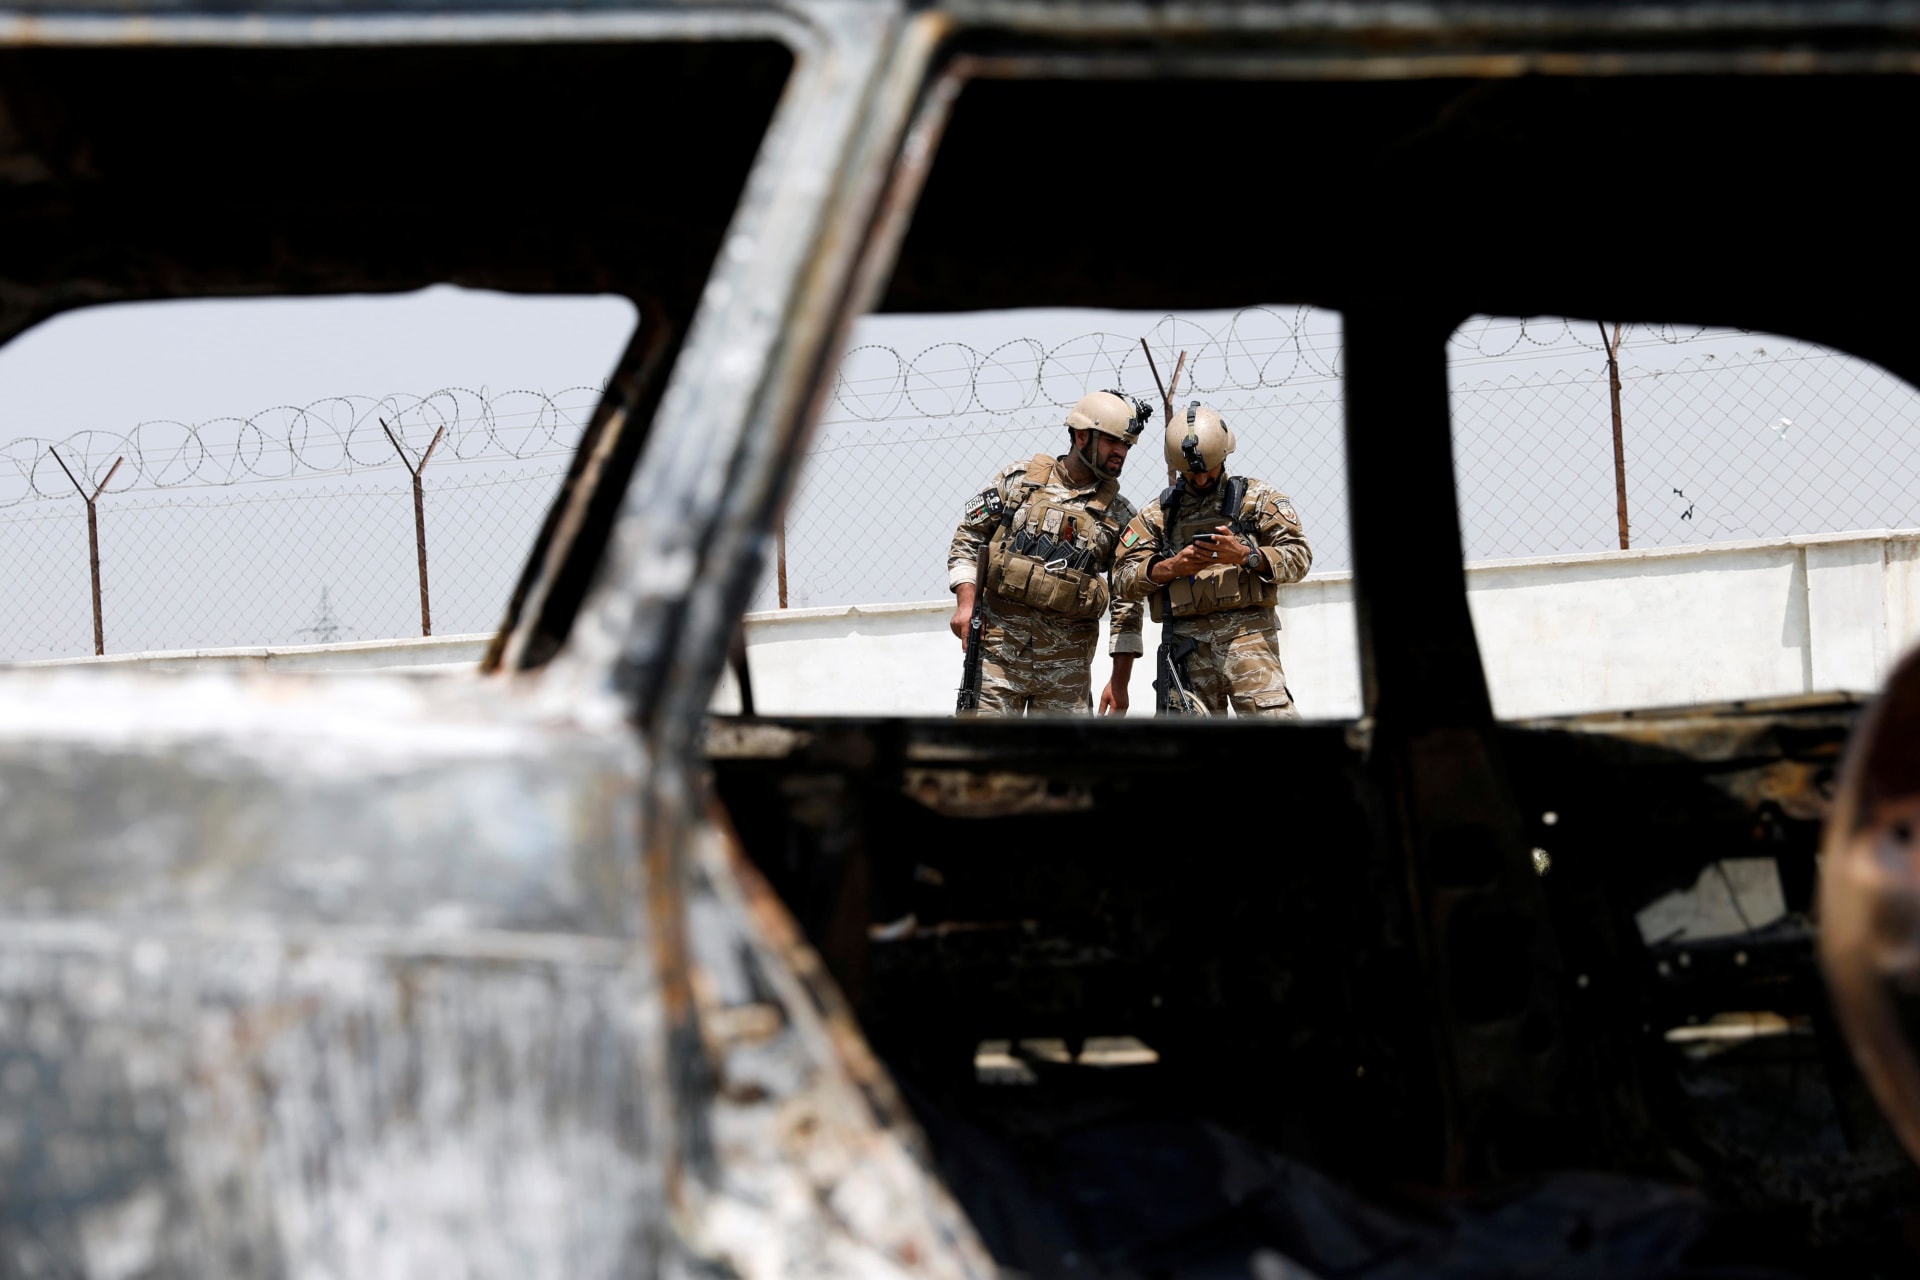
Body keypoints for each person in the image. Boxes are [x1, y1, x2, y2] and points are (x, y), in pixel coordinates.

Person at [948, 390, 1150, 714]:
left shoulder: (1120, 515)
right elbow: (969, 538)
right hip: (997, 658)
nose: (1121, 452)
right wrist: (966, 605)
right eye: (1113, 441)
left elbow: (1127, 600)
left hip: (1066, 674)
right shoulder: (1018, 483)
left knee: (1061, 764)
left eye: (1126, 445)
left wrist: (1119, 681)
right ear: (1082, 436)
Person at [1111, 402, 1312, 716]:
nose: (1201, 479)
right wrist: (1170, 567)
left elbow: (1299, 557)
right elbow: (1122, 578)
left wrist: (1246, 555)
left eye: (1208, 470)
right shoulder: (1159, 515)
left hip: (1249, 642)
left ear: (1224, 456)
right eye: (1191, 473)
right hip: (1187, 650)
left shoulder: (1256, 500)